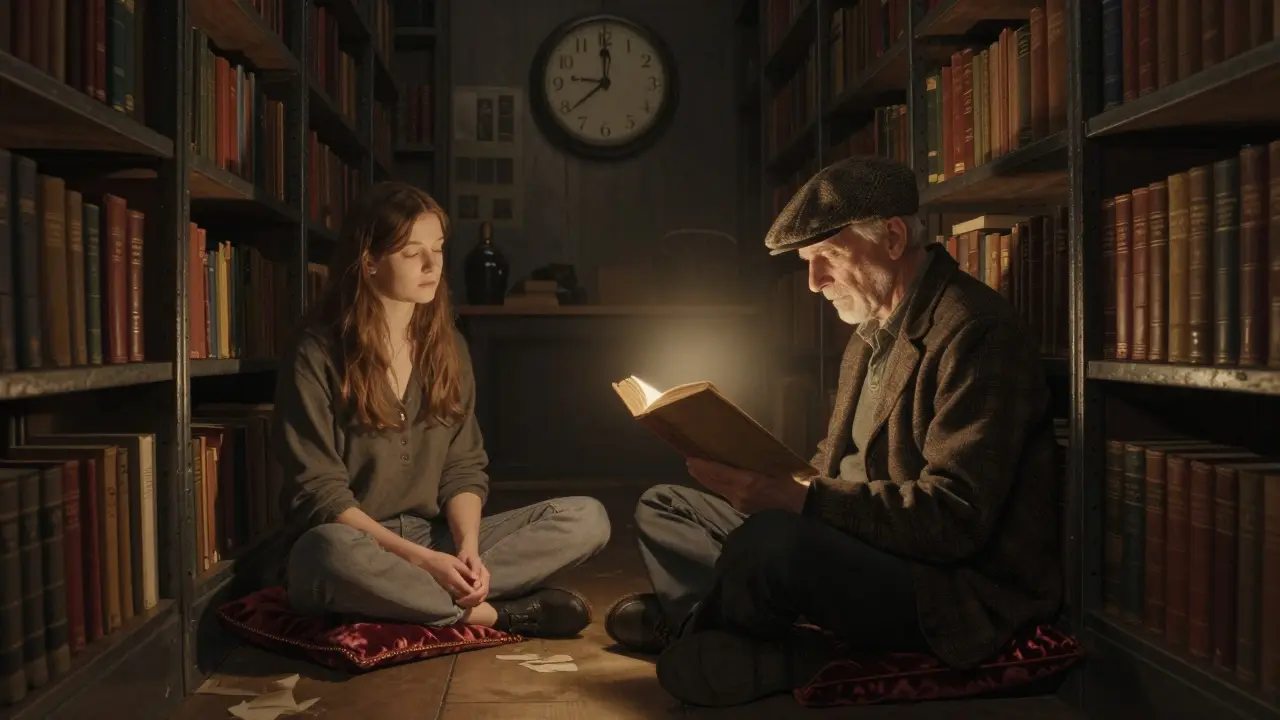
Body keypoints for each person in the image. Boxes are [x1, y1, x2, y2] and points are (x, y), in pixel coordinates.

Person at [604, 156, 1063, 706]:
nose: (814, 283)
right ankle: (740, 632)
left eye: (826, 258)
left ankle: (718, 631)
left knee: (771, 545)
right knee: (667, 506)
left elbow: (953, 520)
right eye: (806, 262)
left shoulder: (976, 334)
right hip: (854, 536)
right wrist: (764, 479)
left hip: (939, 583)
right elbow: (832, 461)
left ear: (892, 238)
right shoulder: (869, 330)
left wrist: (800, 504)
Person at [271, 181, 611, 638]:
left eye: (438, 249)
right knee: (324, 556)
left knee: (588, 518)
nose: (433, 266)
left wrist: (467, 548)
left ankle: (423, 598)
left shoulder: (447, 348)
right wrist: (423, 562)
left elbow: (463, 467)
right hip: (357, 543)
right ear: (368, 261)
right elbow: (319, 495)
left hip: (433, 536)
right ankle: (498, 614)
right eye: (413, 254)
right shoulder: (316, 352)